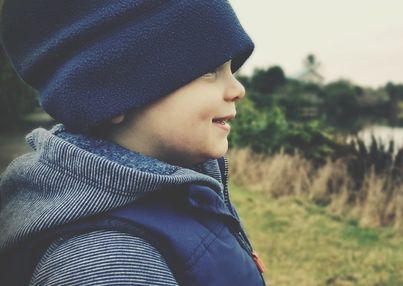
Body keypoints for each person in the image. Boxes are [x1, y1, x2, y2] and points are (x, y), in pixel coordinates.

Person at [0, 1, 266, 285]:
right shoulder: (106, 261)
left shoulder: (184, 183)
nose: (238, 89)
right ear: (110, 94)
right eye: (209, 71)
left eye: (230, 69)